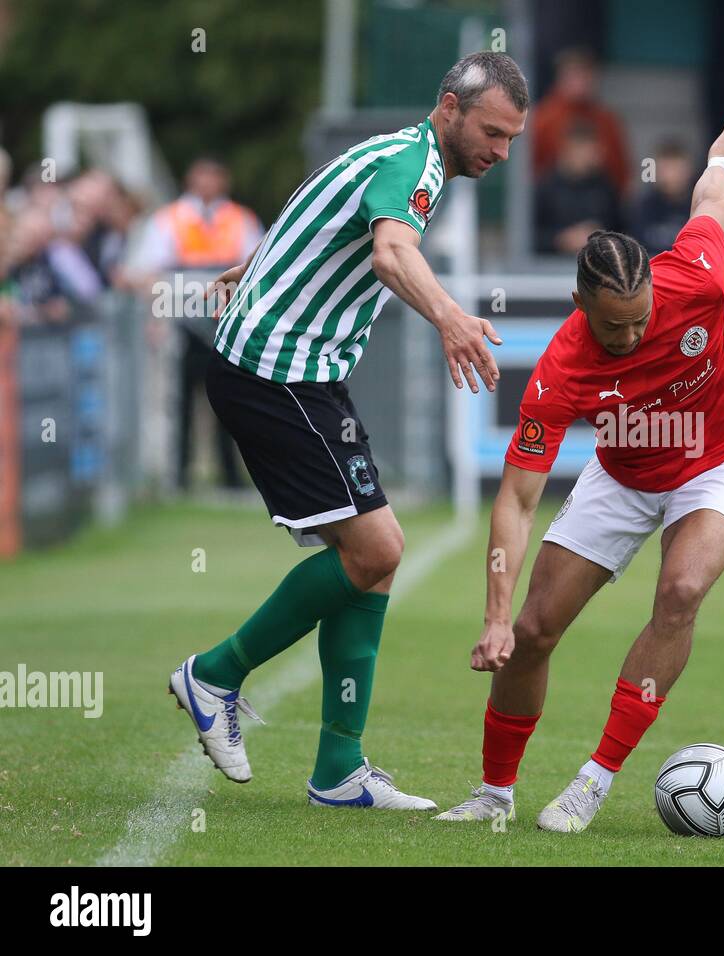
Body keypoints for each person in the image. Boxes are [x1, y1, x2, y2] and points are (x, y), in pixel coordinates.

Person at [167, 52, 529, 811]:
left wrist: (259, 265)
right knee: (379, 548)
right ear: (449, 108)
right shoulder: (416, 168)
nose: (500, 153)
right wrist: (452, 320)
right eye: (493, 133)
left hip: (298, 373)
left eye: (512, 141)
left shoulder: (391, 153)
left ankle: (338, 770)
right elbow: (390, 249)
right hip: (279, 374)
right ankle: (216, 673)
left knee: (376, 560)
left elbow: (315, 208)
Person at [435, 115, 724, 833]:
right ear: (581, 305)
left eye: (639, 320)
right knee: (534, 628)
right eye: (613, 326)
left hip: (719, 460)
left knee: (679, 591)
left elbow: (712, 204)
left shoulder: (698, 278)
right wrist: (494, 617)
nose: (630, 335)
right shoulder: (560, 372)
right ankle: (495, 793)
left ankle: (594, 779)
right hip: (622, 475)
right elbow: (517, 503)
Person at [130, 157, 263, 489]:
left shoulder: (239, 219)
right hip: (180, 320)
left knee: (229, 395)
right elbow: (149, 269)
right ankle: (179, 475)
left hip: (225, 320)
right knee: (178, 398)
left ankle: (231, 476)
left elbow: (256, 266)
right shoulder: (168, 220)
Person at [530, 47, 630, 197]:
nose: (580, 82)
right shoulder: (542, 119)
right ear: (560, 78)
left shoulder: (607, 121)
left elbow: (623, 176)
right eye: (573, 75)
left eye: (585, 75)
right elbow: (530, 173)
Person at [533, 122, 622, 254]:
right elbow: (527, 237)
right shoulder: (546, 188)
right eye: (586, 150)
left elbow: (622, 230)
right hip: (552, 267)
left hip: (598, 267)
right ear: (569, 150)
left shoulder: (605, 187)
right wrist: (561, 240)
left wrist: (601, 237)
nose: (595, 156)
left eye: (594, 150)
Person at [630, 139, 694, 256]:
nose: (670, 176)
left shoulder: (700, 205)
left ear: (688, 171)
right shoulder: (642, 207)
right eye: (665, 169)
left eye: (675, 169)